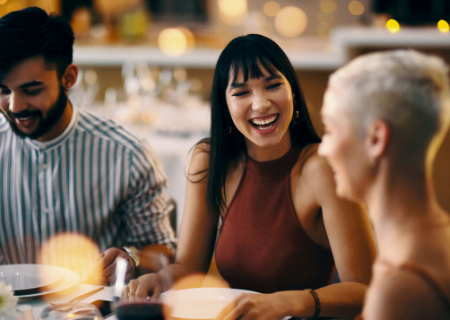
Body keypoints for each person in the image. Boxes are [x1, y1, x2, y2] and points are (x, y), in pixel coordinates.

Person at [125, 34, 377, 320]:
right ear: (224, 104)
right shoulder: (208, 162)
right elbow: (188, 268)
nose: (261, 104)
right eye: (242, 93)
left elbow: (365, 289)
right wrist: (160, 278)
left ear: (292, 90)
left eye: (273, 85)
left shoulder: (323, 167)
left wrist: (288, 303)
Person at [0, 7, 176, 283]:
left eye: (31, 90)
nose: (14, 106)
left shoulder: (127, 153)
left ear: (68, 78)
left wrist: (132, 259)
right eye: (2, 90)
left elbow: (164, 251)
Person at [318, 50, 450, 320]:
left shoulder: (401, 288)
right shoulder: (435, 239)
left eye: (330, 130)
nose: (323, 150)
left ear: (375, 139)